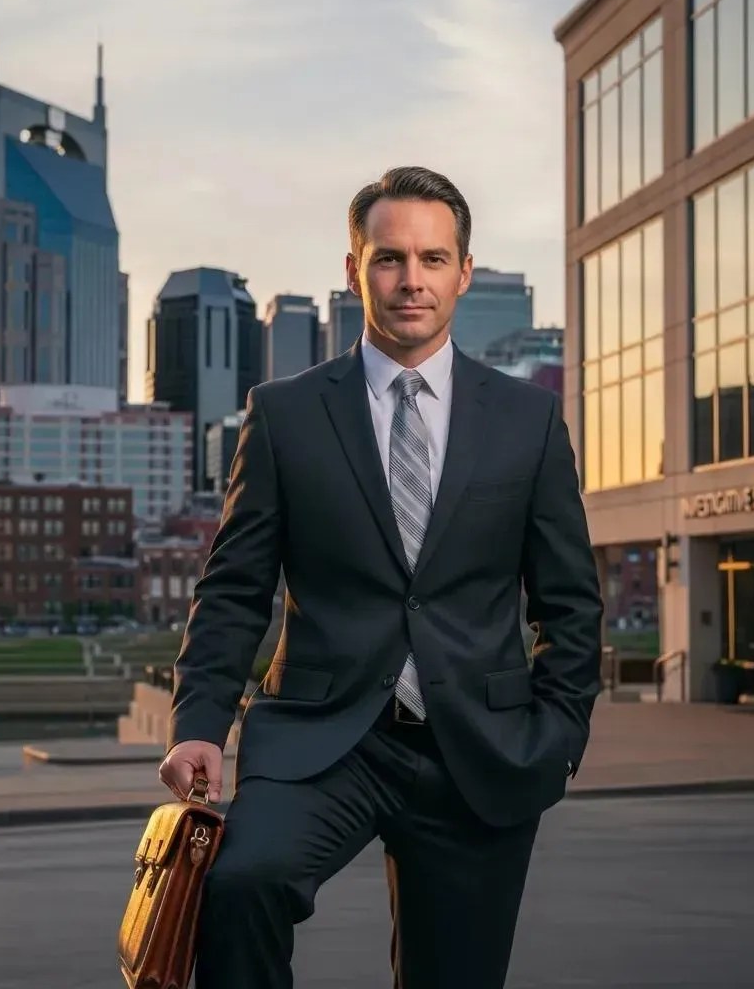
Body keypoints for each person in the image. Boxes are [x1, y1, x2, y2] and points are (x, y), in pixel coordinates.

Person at [159, 165, 603, 989]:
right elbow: (234, 588)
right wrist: (199, 722)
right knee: (239, 884)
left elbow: (571, 600)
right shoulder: (284, 413)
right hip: (324, 740)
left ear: (463, 272)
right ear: (354, 267)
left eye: (433, 260)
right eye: (390, 258)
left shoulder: (529, 419)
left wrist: (560, 735)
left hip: (481, 746)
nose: (411, 281)